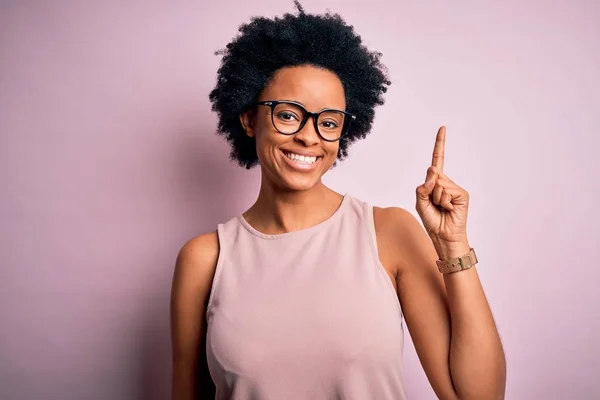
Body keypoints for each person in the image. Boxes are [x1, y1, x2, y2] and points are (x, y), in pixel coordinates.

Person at [170, 2, 506, 399]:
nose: (310, 137)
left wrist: (454, 245)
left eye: (328, 122)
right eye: (289, 114)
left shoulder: (389, 233)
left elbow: (478, 397)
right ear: (248, 119)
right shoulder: (204, 259)